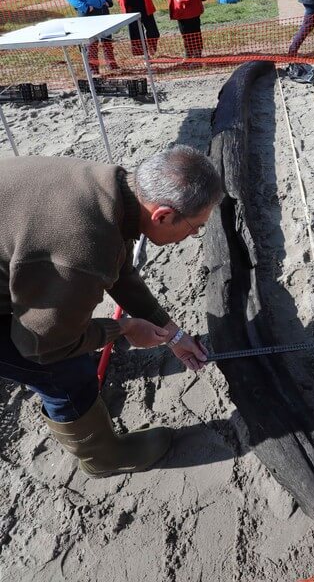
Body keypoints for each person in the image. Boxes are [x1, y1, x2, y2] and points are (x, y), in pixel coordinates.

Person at [0, 146, 222, 476]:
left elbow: (119, 269)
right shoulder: (81, 245)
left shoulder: (111, 188)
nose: (193, 236)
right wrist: (125, 329)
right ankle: (104, 458)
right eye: (195, 227)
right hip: (42, 315)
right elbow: (44, 345)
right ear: (162, 215)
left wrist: (172, 333)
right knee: (63, 372)